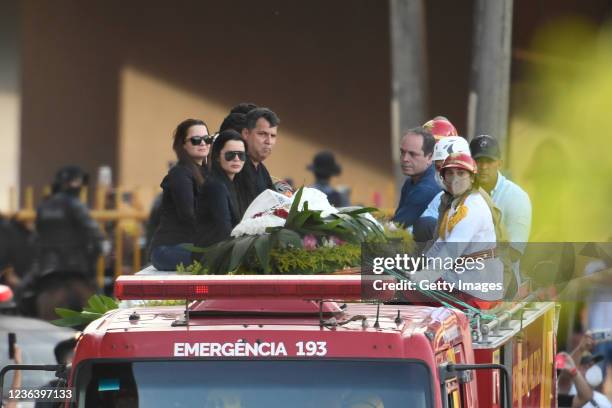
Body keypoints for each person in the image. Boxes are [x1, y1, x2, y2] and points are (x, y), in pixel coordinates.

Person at [415, 153, 504, 303]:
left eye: (461, 173)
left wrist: (424, 277)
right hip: (462, 280)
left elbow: (451, 251)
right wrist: (420, 267)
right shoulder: (457, 204)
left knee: (405, 295)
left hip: (475, 288)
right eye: (450, 173)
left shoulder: (472, 206)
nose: (455, 179)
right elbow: (440, 245)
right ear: (444, 178)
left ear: (472, 178)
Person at [149, 119, 211, 270]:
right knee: (222, 256)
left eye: (207, 139)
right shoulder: (180, 173)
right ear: (182, 145)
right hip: (168, 249)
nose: (203, 143)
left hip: (189, 246)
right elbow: (189, 215)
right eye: (196, 140)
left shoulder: (207, 173)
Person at [33, 165, 104, 280]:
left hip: (45, 265)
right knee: (96, 293)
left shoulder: (44, 205)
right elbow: (94, 233)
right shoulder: (75, 205)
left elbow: (36, 236)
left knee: (22, 291)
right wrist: (97, 251)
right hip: (76, 265)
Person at [470, 135, 532, 258]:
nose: (483, 167)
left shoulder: (517, 197)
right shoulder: (459, 189)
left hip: (501, 272)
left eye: (489, 161)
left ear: (499, 164)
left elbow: (514, 252)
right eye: (478, 161)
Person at [413, 136, 471, 242]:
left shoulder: (475, 199)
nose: (440, 174)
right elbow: (423, 222)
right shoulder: (442, 197)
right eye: (437, 168)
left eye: (445, 169)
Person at [196, 130, 246, 247]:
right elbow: (223, 231)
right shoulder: (215, 186)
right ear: (218, 157)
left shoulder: (233, 184)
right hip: (211, 255)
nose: (236, 159)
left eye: (241, 155)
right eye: (230, 155)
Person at [236, 107, 280, 215]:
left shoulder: (262, 170)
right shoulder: (235, 166)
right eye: (262, 134)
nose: (268, 141)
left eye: (273, 136)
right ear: (246, 133)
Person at [392, 127, 440, 228]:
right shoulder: (410, 181)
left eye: (412, 154)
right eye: (402, 152)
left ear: (430, 157)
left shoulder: (426, 189)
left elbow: (395, 227)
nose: (405, 159)